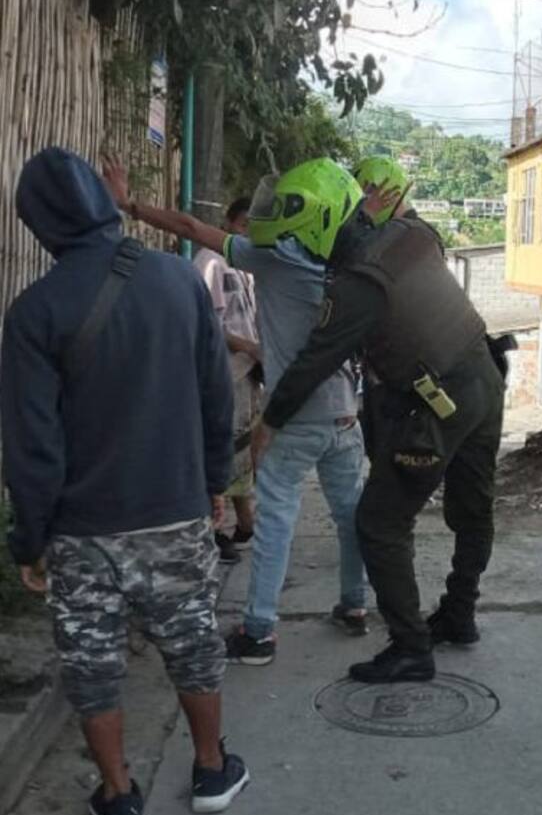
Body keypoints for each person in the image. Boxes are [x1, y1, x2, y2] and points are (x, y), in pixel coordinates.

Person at [2, 148, 249, 815]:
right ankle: (210, 770)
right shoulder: (178, 282)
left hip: (82, 531)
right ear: (101, 203)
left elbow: (33, 448)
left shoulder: (33, 313)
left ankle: (118, 799)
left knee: (92, 665)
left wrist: (32, 538)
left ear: (39, 223)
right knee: (193, 644)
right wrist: (211, 488)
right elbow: (214, 398)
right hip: (174, 511)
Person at [102, 159, 370, 666]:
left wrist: (129, 203)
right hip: (344, 413)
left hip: (296, 416)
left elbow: (190, 228)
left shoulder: (272, 258)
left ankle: (259, 632)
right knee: (349, 515)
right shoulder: (345, 267)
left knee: (275, 523)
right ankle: (354, 606)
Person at [250, 157, 505, 684]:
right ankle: (460, 614)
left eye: (297, 238)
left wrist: (268, 422)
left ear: (320, 225)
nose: (296, 251)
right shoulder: (410, 233)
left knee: (379, 522)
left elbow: (312, 361)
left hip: (439, 406)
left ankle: (411, 647)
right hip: (484, 376)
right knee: (472, 509)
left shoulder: (356, 286)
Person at [193, 197, 261, 564]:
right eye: (244, 224)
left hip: (248, 371)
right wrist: (248, 346)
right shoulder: (210, 263)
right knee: (225, 447)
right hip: (225, 371)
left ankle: (242, 520)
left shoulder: (246, 267)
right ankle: (217, 531)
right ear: (229, 223)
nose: (249, 232)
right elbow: (208, 325)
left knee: (242, 447)